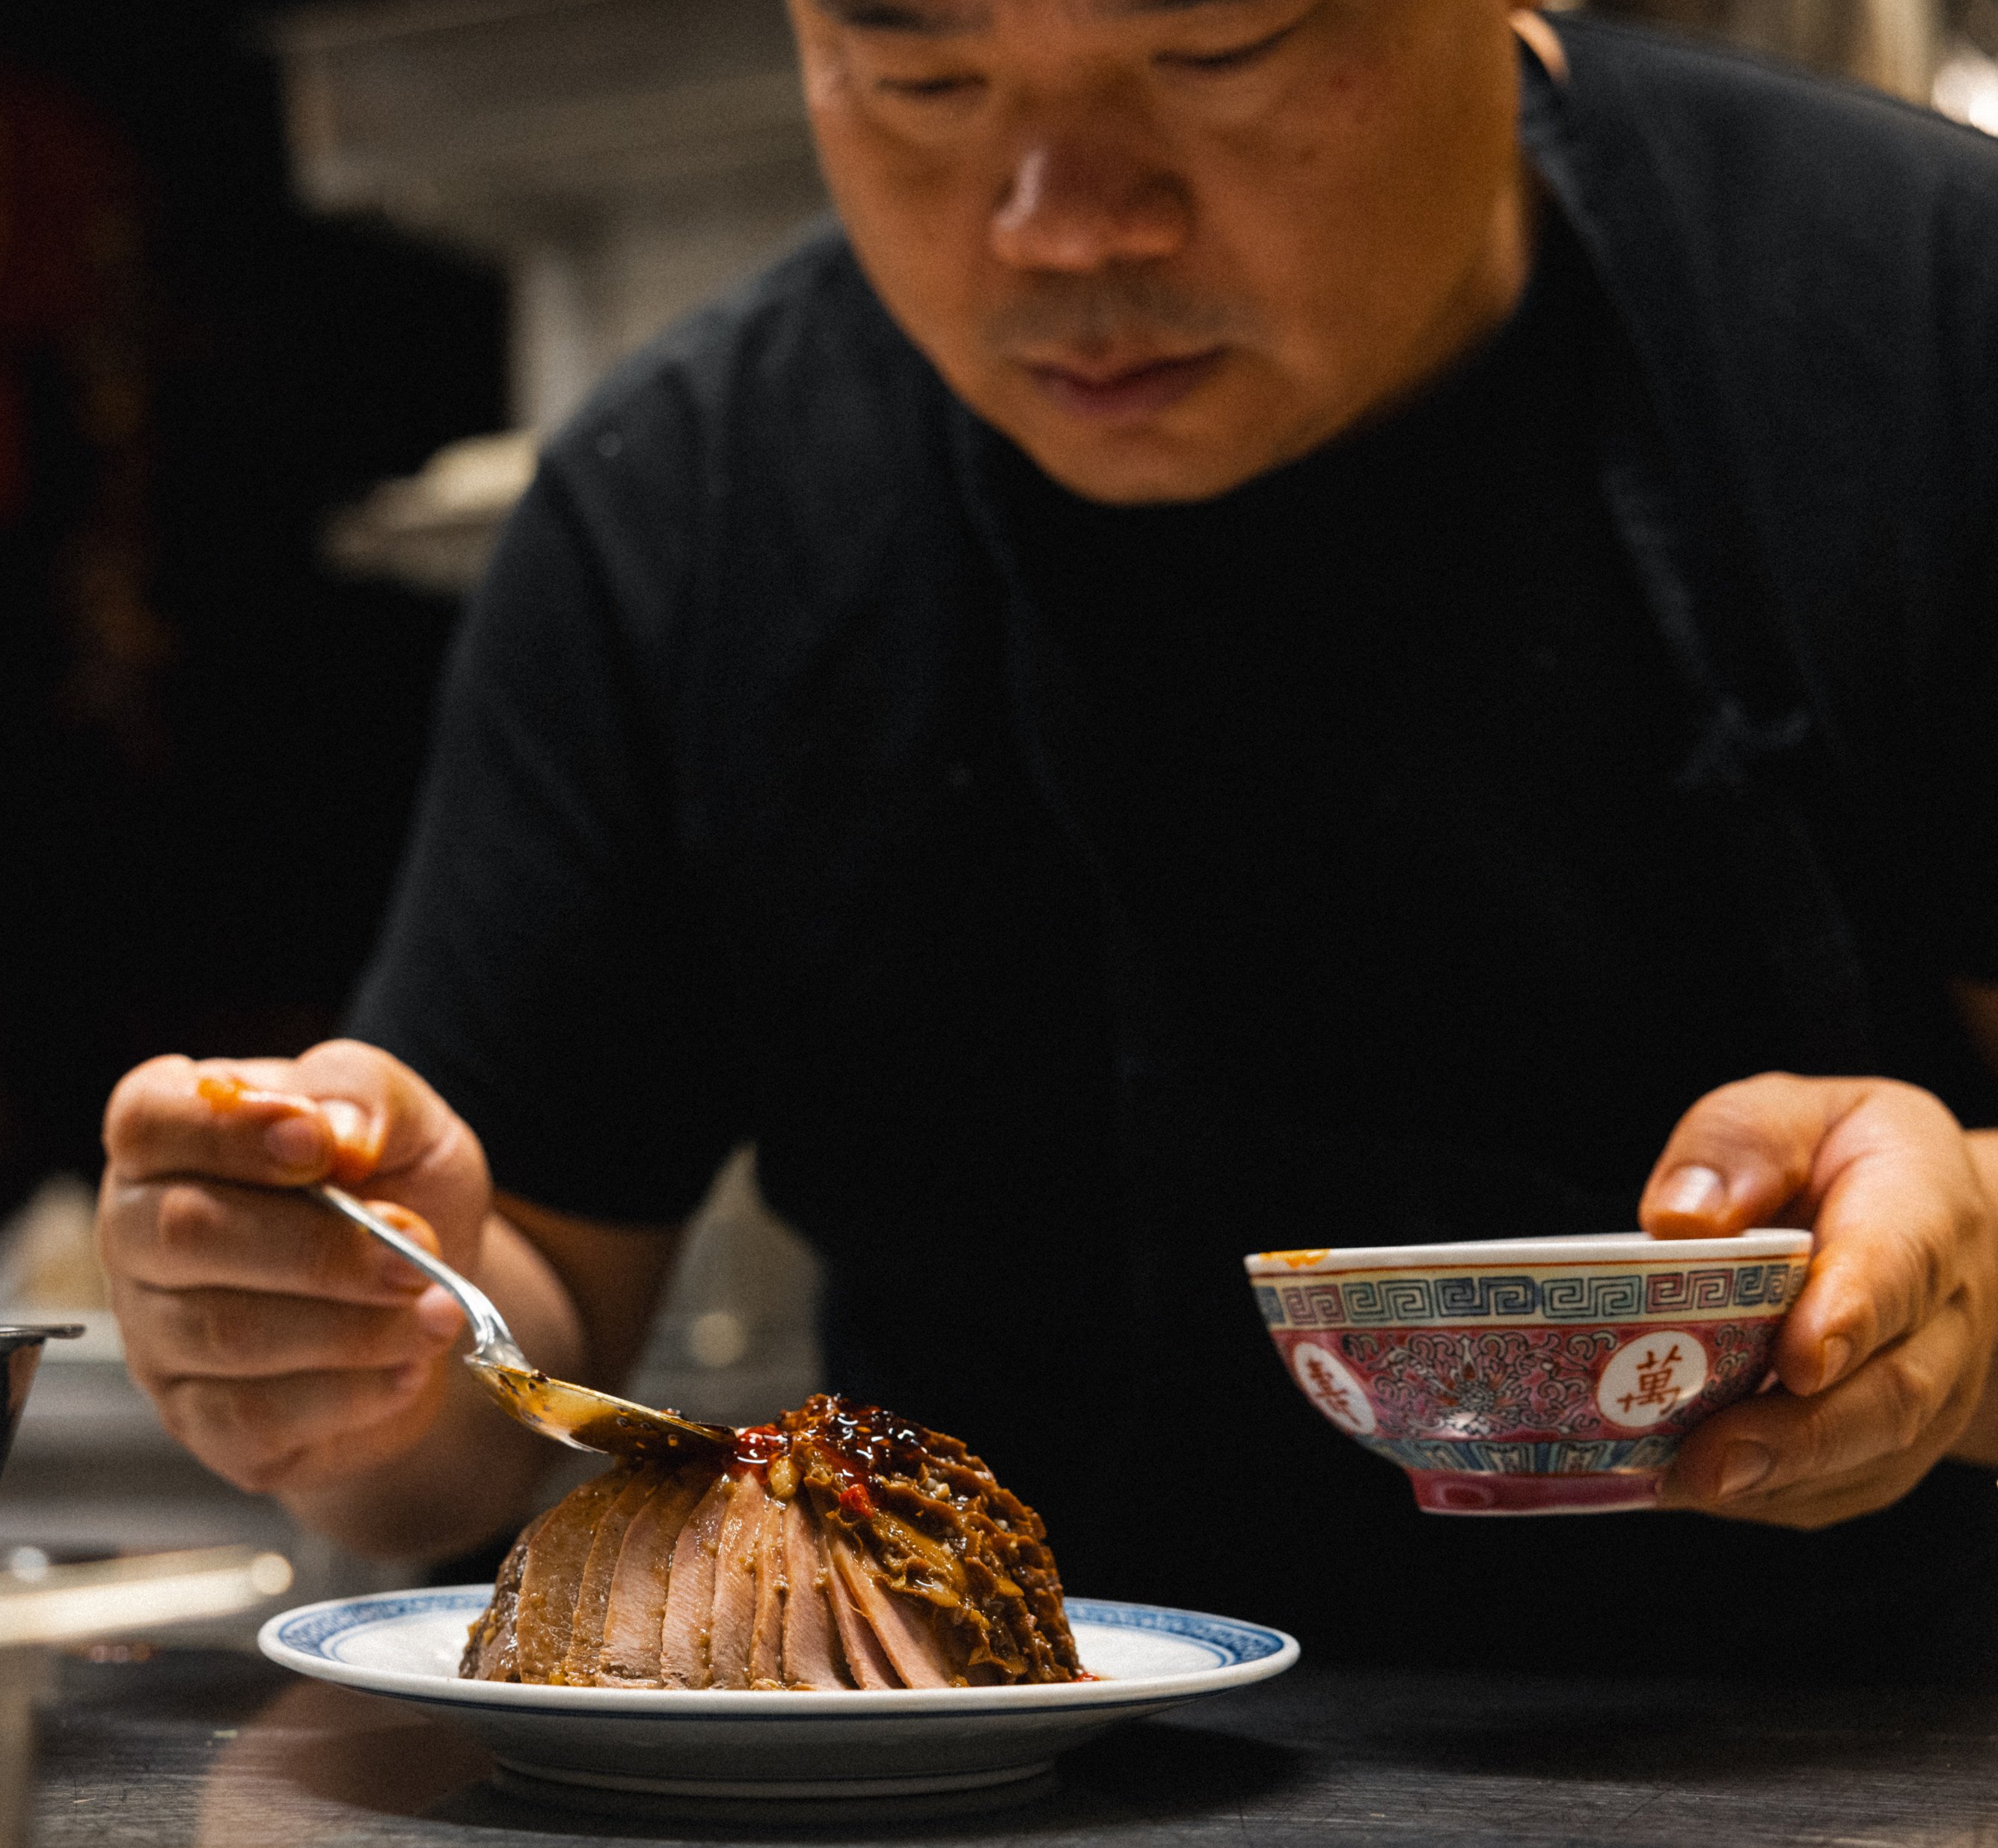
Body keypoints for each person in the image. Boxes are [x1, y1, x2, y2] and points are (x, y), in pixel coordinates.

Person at [99, 0, 1998, 1667]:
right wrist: (346, 1339)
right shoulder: (687, 501)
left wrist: (1964, 1274)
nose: (1063, 219)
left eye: (1217, 48)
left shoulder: (1919, 314)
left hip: (1872, 1818)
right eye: (913, 69)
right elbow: (516, 1332)